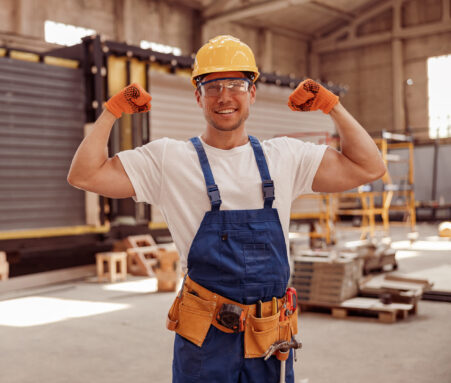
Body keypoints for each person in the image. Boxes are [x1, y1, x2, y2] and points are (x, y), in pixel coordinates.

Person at [67, 35, 386, 383]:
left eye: (236, 84)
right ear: (198, 96)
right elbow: (85, 174)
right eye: (212, 85)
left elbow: (369, 167)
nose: (224, 96)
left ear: (252, 93)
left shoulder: (286, 156)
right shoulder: (168, 159)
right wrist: (111, 112)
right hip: (204, 337)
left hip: (269, 336)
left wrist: (332, 106)